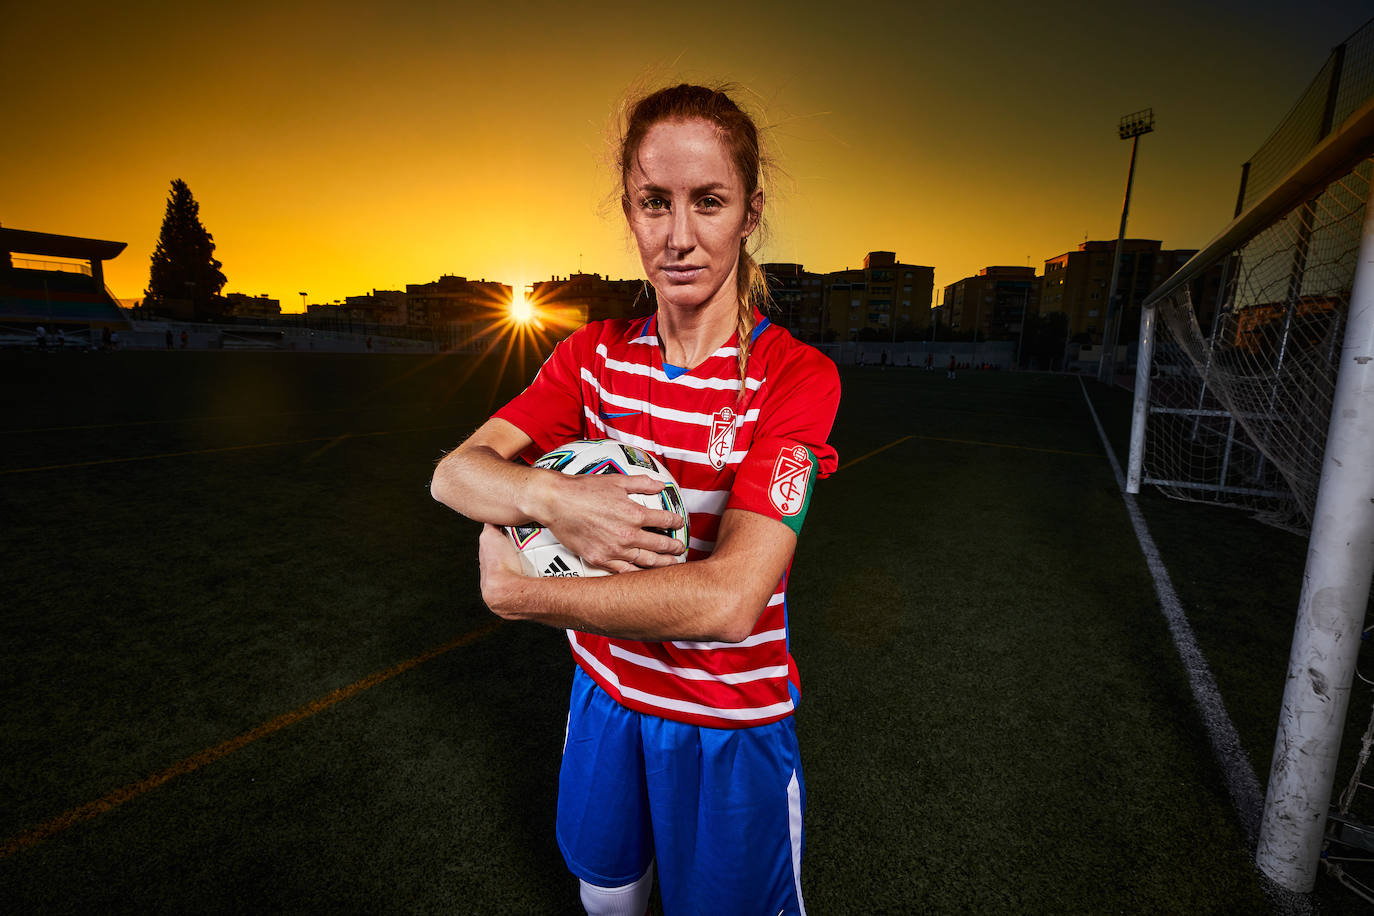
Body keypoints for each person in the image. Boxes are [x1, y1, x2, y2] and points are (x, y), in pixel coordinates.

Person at [431, 83, 839, 916]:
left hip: (730, 721)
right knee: (607, 901)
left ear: (750, 212)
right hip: (607, 698)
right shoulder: (591, 360)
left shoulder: (794, 379)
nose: (679, 237)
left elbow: (730, 601)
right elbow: (456, 474)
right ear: (628, 209)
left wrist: (524, 593)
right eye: (655, 203)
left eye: (709, 202)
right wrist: (560, 501)